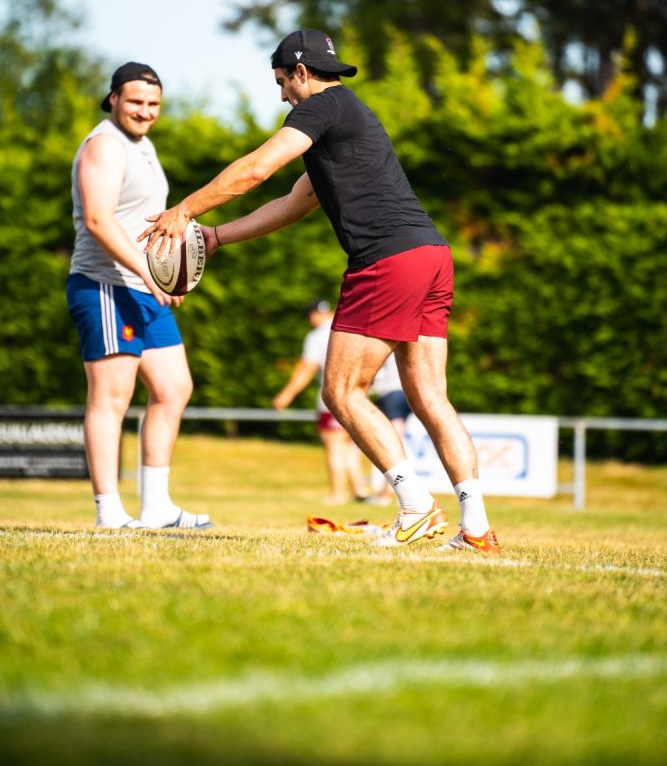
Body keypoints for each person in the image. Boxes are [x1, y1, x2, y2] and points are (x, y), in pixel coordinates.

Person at [139, 29, 499, 553]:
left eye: (282, 82)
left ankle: (416, 507)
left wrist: (184, 210)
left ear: (302, 73)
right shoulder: (349, 118)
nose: (282, 95)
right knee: (430, 398)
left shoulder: (321, 107)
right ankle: (477, 528)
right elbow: (294, 203)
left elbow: (257, 169)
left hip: (387, 261)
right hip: (430, 255)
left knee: (341, 391)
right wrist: (216, 236)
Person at [66, 61, 214, 530]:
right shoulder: (105, 145)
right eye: (135, 101)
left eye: (153, 104)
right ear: (113, 99)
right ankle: (110, 512)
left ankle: (157, 508)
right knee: (111, 398)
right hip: (105, 285)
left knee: (174, 388)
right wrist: (148, 274)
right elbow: (98, 220)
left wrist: (168, 273)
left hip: (143, 286)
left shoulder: (142, 145)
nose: (145, 111)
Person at [273, 300, 370, 504]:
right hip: (358, 395)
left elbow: (307, 368)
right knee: (350, 443)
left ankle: (338, 494)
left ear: (313, 315)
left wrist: (287, 394)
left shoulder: (317, 336)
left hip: (333, 396)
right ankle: (359, 487)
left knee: (334, 445)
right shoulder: (352, 330)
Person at [368, 353, 411, 505]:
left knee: (393, 442)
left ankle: (386, 493)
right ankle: (391, 492)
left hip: (391, 392)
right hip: (410, 390)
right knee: (398, 439)